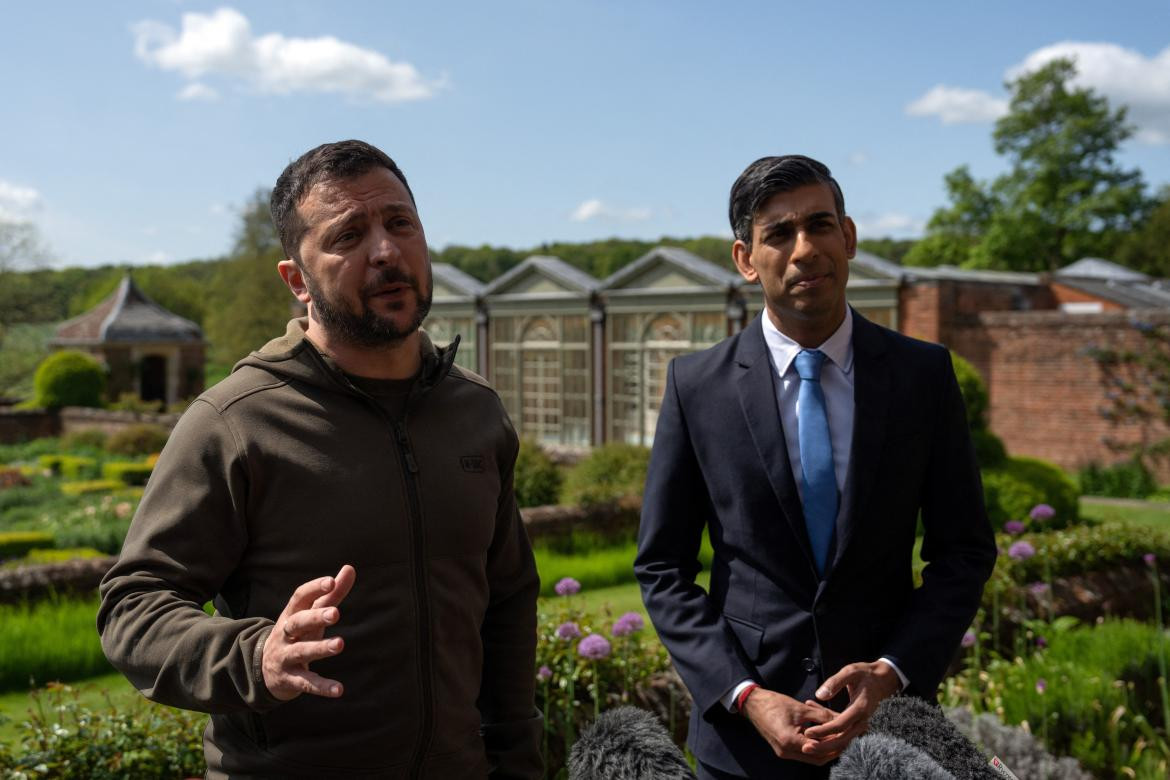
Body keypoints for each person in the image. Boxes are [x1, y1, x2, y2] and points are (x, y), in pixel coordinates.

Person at [98, 140, 543, 779]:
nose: (386, 251)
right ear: (297, 280)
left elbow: (507, 602)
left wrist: (517, 764)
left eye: (400, 223)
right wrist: (256, 658)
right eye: (348, 235)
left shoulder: (475, 412)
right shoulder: (236, 421)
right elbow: (134, 606)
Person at [634, 154, 997, 779]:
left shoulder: (923, 376)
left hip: (889, 738)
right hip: (742, 748)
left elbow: (963, 551)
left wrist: (893, 672)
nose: (805, 249)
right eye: (778, 234)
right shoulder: (697, 387)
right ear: (746, 259)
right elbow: (663, 568)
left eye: (820, 225)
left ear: (848, 238)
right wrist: (747, 697)